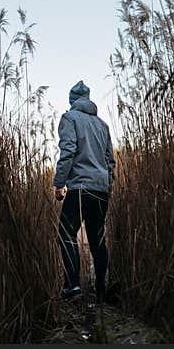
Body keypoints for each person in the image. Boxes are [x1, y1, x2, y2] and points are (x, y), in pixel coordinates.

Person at [53, 80, 115, 302]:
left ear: (72, 100)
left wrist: (59, 183)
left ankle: (73, 287)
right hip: (100, 190)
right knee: (98, 240)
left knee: (66, 234)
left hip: (80, 187)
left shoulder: (69, 118)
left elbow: (68, 151)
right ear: (88, 99)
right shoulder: (102, 125)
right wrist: (108, 186)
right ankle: (101, 292)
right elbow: (110, 161)